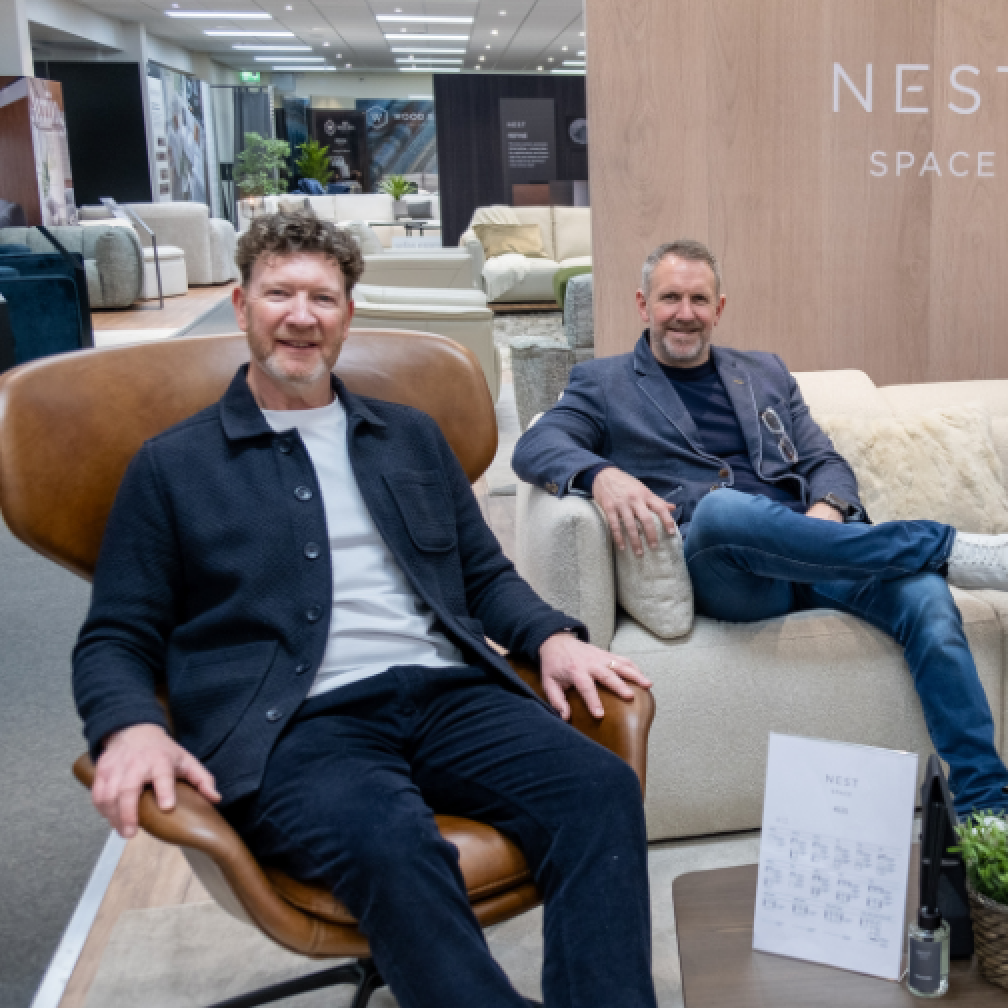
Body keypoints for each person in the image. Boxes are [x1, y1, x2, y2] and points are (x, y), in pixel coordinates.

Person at [74, 211, 657, 1008]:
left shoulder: (409, 438)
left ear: (349, 314)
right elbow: (117, 633)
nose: (301, 316)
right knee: (392, 843)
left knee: (600, 791)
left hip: (448, 696)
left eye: (323, 296)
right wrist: (129, 725)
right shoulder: (172, 466)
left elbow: (484, 575)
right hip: (297, 726)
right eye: (279, 293)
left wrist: (552, 636)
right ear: (242, 308)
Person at [512, 239, 1008, 819]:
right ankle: (940, 545)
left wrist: (830, 511)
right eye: (670, 297)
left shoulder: (764, 372)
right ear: (643, 304)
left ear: (720, 308)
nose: (684, 312)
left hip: (815, 552)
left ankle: (985, 810)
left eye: (699, 298)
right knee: (721, 509)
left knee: (926, 598)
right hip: (730, 568)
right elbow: (537, 444)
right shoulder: (603, 383)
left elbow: (825, 461)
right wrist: (603, 473)